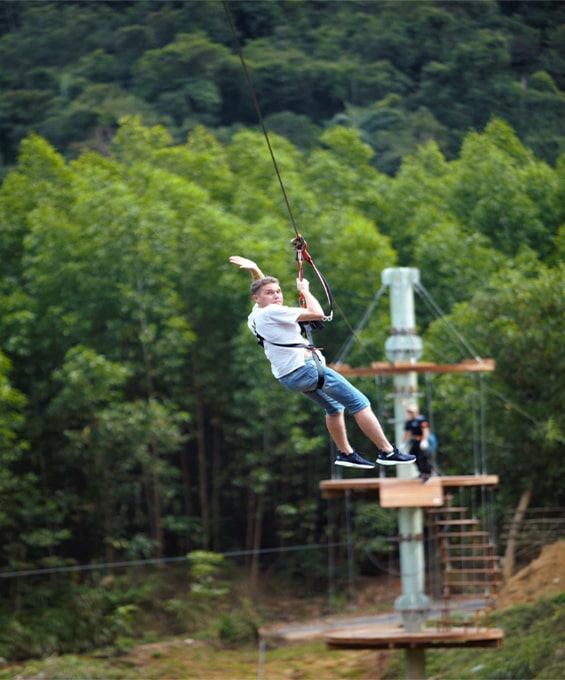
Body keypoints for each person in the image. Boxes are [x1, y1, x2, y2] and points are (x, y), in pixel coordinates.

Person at [229, 255, 416, 470]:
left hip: (289, 377)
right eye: (270, 293)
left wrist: (255, 269)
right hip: (306, 370)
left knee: (335, 408)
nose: (276, 296)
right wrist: (305, 289)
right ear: (257, 299)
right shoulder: (273, 311)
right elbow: (317, 313)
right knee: (360, 402)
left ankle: (346, 453)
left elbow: (261, 287)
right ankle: (387, 451)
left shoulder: (256, 315)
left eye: (278, 291)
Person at [402, 403, 432, 480]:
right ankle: (421, 472)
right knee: (413, 456)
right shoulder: (409, 422)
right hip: (415, 441)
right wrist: (403, 442)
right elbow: (407, 433)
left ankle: (427, 473)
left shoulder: (421, 420)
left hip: (422, 441)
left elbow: (425, 431)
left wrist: (425, 440)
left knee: (423, 457)